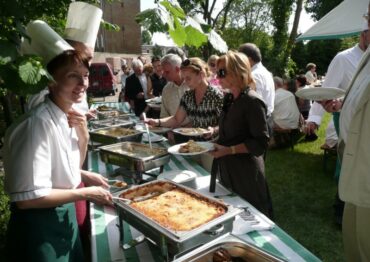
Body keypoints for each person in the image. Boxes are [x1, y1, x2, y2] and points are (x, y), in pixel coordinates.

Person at [4, 20, 112, 262]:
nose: (83, 83)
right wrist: (86, 194)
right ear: (51, 81)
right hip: (39, 227)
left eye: (85, 75)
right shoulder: (37, 124)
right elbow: (28, 199)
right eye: (73, 76)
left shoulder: (66, 116)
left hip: (63, 217)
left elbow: (72, 167)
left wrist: (83, 133)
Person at [304, 25, 369, 226]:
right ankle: (341, 208)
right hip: (345, 118)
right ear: (362, 33)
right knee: (347, 162)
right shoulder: (344, 58)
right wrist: (314, 119)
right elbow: (326, 90)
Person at [209, 51, 272, 218]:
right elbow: (230, 132)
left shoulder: (252, 102)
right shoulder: (230, 98)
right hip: (228, 168)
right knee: (231, 213)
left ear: (237, 72)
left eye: (221, 72)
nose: (217, 76)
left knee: (252, 216)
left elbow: (260, 143)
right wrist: (213, 142)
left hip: (246, 173)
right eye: (217, 72)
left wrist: (228, 150)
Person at [26, 1, 102, 121]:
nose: (86, 64)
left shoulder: (82, 80)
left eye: (89, 58)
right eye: (82, 57)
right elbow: (40, 115)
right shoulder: (46, 83)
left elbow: (78, 110)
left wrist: (85, 114)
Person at [145, 57, 223, 135]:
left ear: (201, 75)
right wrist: (156, 122)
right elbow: (176, 119)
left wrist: (214, 130)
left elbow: (225, 124)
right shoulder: (188, 96)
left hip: (213, 144)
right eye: (184, 78)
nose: (185, 82)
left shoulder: (216, 95)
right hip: (193, 144)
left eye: (188, 78)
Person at [238, 43, 275, 118]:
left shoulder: (254, 75)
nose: (239, 63)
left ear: (249, 59)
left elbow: (255, 103)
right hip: (265, 117)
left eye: (240, 60)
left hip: (259, 119)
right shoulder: (265, 72)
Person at [160, 54, 189, 120]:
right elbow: (164, 115)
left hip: (194, 129)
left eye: (167, 72)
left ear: (177, 69)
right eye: (163, 71)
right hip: (172, 129)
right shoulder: (166, 89)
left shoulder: (192, 86)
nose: (163, 75)